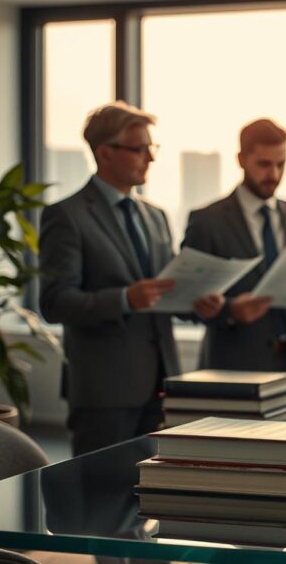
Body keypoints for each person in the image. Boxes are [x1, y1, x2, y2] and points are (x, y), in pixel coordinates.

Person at [39, 101, 224, 456]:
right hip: (104, 391)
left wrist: (197, 304)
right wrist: (125, 299)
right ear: (106, 153)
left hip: (161, 383)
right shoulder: (66, 215)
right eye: (140, 149)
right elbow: (54, 302)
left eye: (151, 148)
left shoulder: (154, 216)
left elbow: (165, 290)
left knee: (153, 498)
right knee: (102, 497)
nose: (150, 159)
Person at [182, 118, 286, 375]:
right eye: (264, 164)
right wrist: (229, 310)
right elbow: (186, 302)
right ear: (241, 160)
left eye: (281, 164)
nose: (273, 174)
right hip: (233, 366)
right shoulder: (207, 221)